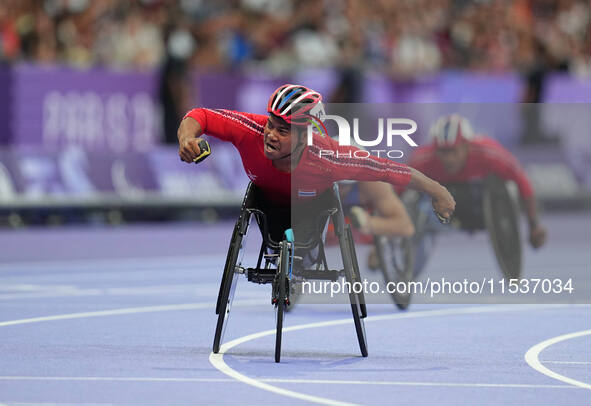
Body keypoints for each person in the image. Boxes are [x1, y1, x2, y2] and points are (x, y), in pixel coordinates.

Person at [177, 84, 455, 241]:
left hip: (311, 212)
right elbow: (200, 114)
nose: (270, 135)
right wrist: (187, 139)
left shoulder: (328, 156)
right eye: (271, 125)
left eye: (283, 131)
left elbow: (389, 169)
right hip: (267, 206)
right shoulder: (252, 130)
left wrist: (439, 191)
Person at [408, 114, 547, 249]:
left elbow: (522, 181)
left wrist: (534, 225)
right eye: (443, 152)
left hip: (479, 203)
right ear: (435, 149)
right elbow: (397, 190)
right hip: (441, 206)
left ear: (466, 146)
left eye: (453, 151)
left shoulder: (488, 153)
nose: (448, 159)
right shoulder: (422, 160)